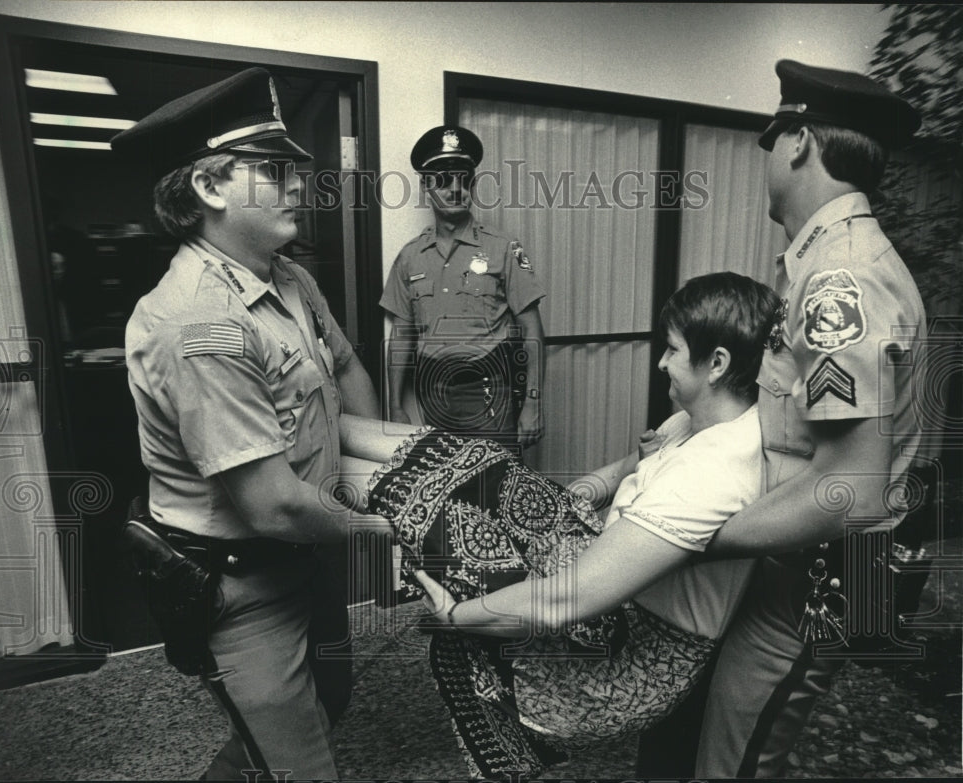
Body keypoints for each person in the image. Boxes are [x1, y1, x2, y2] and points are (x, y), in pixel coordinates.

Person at [337, 272, 781, 777]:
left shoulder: (713, 470)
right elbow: (628, 469)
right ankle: (322, 424)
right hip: (606, 569)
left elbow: (565, 600)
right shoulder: (702, 418)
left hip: (628, 657)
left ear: (717, 364)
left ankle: (306, 445)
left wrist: (456, 615)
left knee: (448, 513)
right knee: (479, 459)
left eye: (673, 350)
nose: (661, 362)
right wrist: (579, 494)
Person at [658, 60, 924, 778]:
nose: (771, 157)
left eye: (776, 139)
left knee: (734, 760)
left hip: (824, 576)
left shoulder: (841, 279)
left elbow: (852, 488)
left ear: (800, 142)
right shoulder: (830, 262)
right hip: (806, 564)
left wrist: (692, 537)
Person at [113, 67, 380, 781]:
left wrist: (416, 465)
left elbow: (341, 387)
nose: (298, 184)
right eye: (273, 169)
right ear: (209, 187)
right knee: (304, 765)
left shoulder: (286, 276)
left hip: (305, 549)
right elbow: (270, 503)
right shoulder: (199, 320)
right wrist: (402, 523)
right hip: (244, 584)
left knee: (330, 697)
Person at [380, 125, 546, 449]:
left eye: (464, 178)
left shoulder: (503, 248)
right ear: (426, 184)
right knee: (447, 483)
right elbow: (401, 335)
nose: (456, 188)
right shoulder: (409, 257)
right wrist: (395, 406)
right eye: (443, 178)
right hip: (433, 392)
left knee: (496, 481)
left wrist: (533, 402)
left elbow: (532, 329)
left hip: (488, 389)